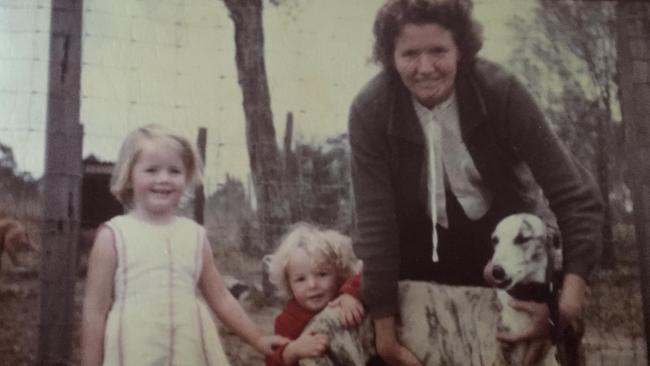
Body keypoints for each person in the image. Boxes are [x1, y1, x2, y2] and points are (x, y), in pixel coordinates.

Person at [347, 0, 604, 365]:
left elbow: (576, 198)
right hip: (418, 254)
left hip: (504, 248)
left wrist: (563, 309)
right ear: (389, 56)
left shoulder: (501, 91)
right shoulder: (369, 110)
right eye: (409, 54)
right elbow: (375, 228)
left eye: (439, 51)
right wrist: (386, 340)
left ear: (462, 49)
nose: (425, 68)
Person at [80, 124, 288, 366]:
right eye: (151, 170)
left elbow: (220, 298)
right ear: (129, 176)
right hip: (136, 349)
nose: (164, 179)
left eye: (174, 171)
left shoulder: (194, 236)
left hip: (188, 349)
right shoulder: (113, 235)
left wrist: (258, 340)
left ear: (187, 177)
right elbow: (94, 313)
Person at [266, 222, 365, 366]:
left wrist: (350, 294)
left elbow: (367, 277)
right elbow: (271, 362)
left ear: (338, 274)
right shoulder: (287, 321)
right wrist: (292, 351)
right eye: (300, 279)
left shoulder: (343, 294)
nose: (312, 285)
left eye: (322, 274)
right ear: (289, 284)